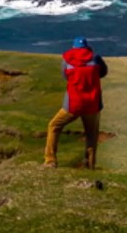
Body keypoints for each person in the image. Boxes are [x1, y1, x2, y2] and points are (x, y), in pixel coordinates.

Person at [44, 36, 108, 169]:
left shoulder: (67, 61)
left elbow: (65, 76)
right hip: (93, 103)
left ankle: (50, 161)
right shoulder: (95, 58)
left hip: (73, 104)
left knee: (54, 126)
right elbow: (103, 72)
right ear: (87, 47)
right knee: (91, 134)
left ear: (74, 47)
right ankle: (90, 165)